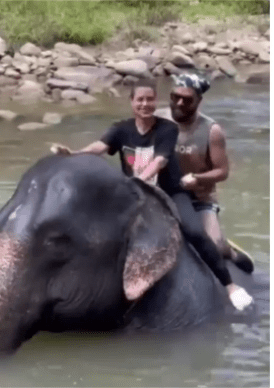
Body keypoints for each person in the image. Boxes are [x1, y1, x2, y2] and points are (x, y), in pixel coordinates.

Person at [52, 79, 253, 311]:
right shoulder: (121, 129)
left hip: (170, 191)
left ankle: (229, 286)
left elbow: (160, 160)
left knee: (194, 232)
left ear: (155, 102)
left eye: (150, 99)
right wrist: (75, 154)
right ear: (131, 102)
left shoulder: (168, 128)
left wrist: (140, 180)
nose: (145, 104)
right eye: (140, 100)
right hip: (134, 192)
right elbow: (100, 147)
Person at [154, 74, 253, 273]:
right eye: (175, 97)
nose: (179, 103)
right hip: (161, 194)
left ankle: (228, 250)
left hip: (199, 199)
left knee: (213, 249)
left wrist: (198, 178)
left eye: (187, 99)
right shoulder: (156, 119)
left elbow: (222, 171)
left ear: (199, 101)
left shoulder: (211, 130)